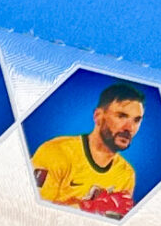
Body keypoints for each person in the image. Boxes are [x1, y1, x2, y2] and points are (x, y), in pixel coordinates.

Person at [31, 81, 149, 216]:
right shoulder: (56, 152)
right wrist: (89, 207)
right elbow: (31, 211)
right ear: (98, 116)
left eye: (136, 120)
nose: (130, 128)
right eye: (121, 116)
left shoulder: (126, 174)